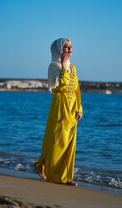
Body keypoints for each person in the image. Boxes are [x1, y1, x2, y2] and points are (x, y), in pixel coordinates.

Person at [34, 38, 83, 186]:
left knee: (69, 143)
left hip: (72, 109)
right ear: (58, 50)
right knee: (57, 142)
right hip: (60, 107)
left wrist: (79, 108)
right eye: (65, 47)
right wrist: (62, 65)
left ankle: (65, 176)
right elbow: (62, 85)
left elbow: (76, 89)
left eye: (70, 47)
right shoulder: (54, 66)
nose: (69, 50)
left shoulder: (73, 68)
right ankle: (55, 176)